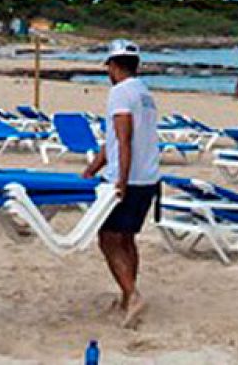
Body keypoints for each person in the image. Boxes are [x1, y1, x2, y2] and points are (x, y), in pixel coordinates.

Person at [82, 38, 161, 328]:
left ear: (114, 66)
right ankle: (128, 297)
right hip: (149, 177)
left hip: (129, 178)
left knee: (107, 239)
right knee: (126, 238)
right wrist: (92, 169)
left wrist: (120, 179)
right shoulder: (145, 93)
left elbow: (124, 138)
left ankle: (132, 294)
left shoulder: (119, 93)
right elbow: (115, 140)